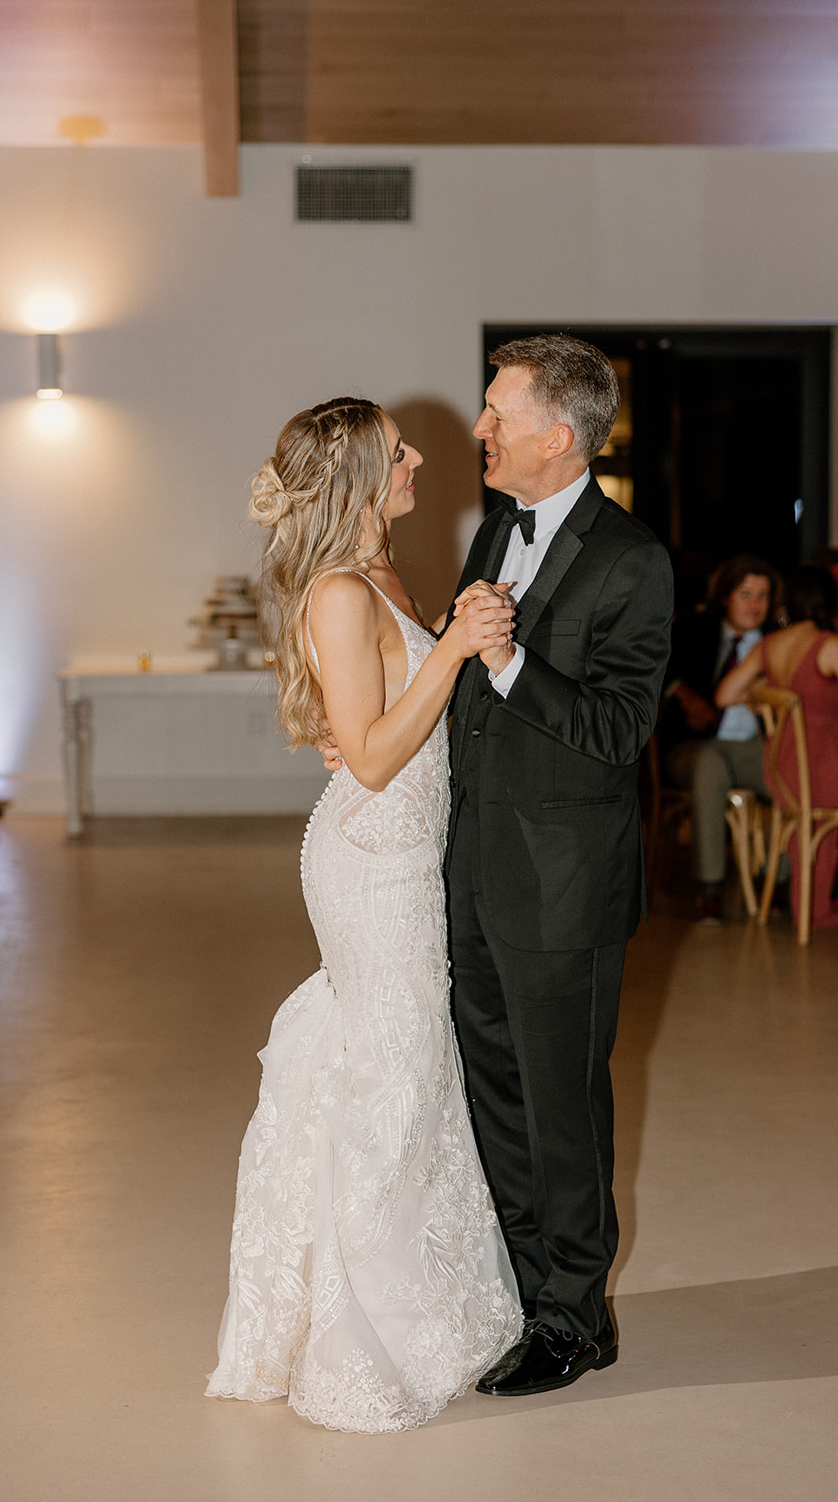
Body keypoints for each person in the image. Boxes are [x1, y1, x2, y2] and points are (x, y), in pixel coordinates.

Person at [206, 397, 522, 1434]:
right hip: (372, 863)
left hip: (408, 859)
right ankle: (354, 1343)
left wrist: (443, 654)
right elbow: (376, 759)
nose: (419, 455)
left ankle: (414, 1308)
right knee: (388, 1083)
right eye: (397, 450)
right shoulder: (340, 591)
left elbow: (384, 722)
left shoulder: (379, 570)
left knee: (409, 1075)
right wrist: (458, 645)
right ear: (354, 474)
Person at [442, 336, 673, 1397]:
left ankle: (575, 1317)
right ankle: (530, 1290)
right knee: (494, 1092)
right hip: (476, 870)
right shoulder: (493, 526)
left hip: (564, 884)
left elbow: (618, 728)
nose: (478, 427)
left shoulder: (632, 559)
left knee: (561, 1105)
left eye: (496, 410)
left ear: (557, 434)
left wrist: (506, 658)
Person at [716, 564, 838, 929]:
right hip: (824, 763)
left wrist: (759, 696)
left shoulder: (771, 645)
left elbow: (725, 695)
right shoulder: (826, 645)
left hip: (783, 765)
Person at [659, 554, 780, 922]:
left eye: (763, 596)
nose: (755, 605)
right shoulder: (694, 629)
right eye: (746, 594)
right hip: (695, 747)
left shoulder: (776, 641)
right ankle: (709, 886)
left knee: (789, 767)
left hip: (753, 747)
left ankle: (781, 882)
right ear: (726, 596)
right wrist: (682, 691)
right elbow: (653, 667)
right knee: (710, 766)